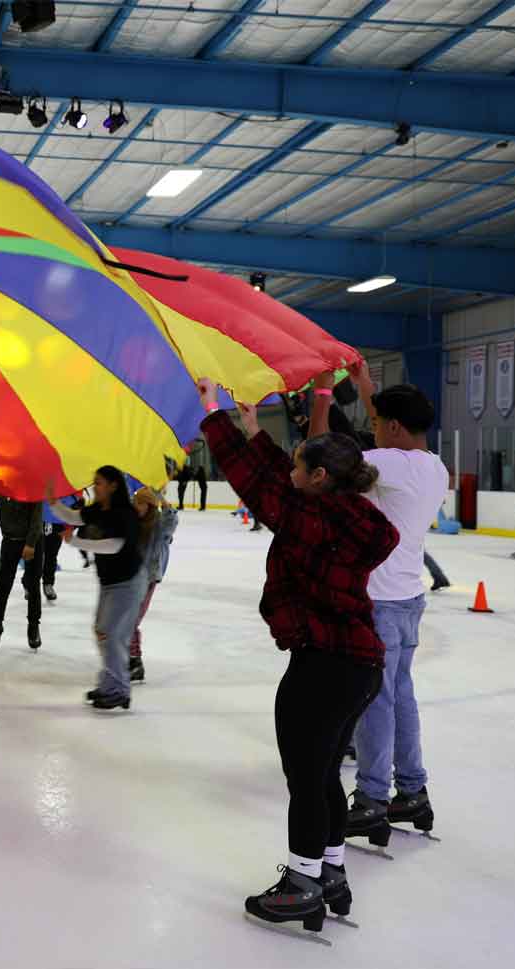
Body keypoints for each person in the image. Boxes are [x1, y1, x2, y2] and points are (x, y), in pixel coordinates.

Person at [198, 375, 397, 939]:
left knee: (306, 779)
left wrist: (214, 413)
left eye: (298, 465)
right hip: (358, 663)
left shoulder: (308, 519)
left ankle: (302, 885)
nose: (289, 471)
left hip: (324, 664)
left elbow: (253, 482)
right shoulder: (348, 515)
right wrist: (255, 427)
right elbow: (276, 480)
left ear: (319, 478)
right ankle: (330, 872)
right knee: (323, 772)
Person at [310, 367, 451, 845]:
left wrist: (324, 397)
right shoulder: (433, 465)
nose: (371, 426)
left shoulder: (387, 463)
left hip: (380, 603)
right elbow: (384, 418)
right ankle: (411, 789)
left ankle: (372, 799)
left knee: (375, 701)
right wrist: (365, 380)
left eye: (378, 421)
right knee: (401, 694)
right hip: (409, 598)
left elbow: (319, 457)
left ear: (392, 428)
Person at [46, 468, 148, 709]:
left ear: (113, 485)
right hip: (111, 582)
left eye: (99, 483)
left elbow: (115, 546)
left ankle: (120, 690)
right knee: (103, 631)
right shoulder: (98, 510)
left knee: (112, 635)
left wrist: (77, 542)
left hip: (129, 582)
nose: (94, 487)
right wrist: (53, 501)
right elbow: (73, 517)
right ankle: (110, 685)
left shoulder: (124, 514)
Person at [128, 485, 178, 684]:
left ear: (150, 505)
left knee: (131, 620)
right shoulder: (134, 522)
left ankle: (135, 662)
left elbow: (171, 519)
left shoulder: (159, 524)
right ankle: (131, 660)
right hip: (132, 576)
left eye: (141, 503)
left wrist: (162, 500)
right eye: (136, 502)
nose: (137, 507)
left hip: (148, 578)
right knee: (126, 620)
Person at [0, 488, 44, 652]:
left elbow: (37, 515)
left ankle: (33, 627)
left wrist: (31, 543)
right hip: (10, 541)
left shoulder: (31, 480)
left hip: (33, 542)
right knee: (4, 586)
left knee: (33, 587)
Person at [42, 492, 88, 602]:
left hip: (58, 524)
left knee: (51, 555)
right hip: (39, 522)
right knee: (36, 555)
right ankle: (28, 583)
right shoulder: (42, 481)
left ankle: (48, 584)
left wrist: (71, 527)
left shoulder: (71, 488)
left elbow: (79, 507)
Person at [176, 442, 209, 511]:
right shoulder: (186, 445)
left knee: (204, 487)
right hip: (188, 469)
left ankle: (202, 506)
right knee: (181, 488)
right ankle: (181, 505)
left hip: (198, 469)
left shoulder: (199, 444)